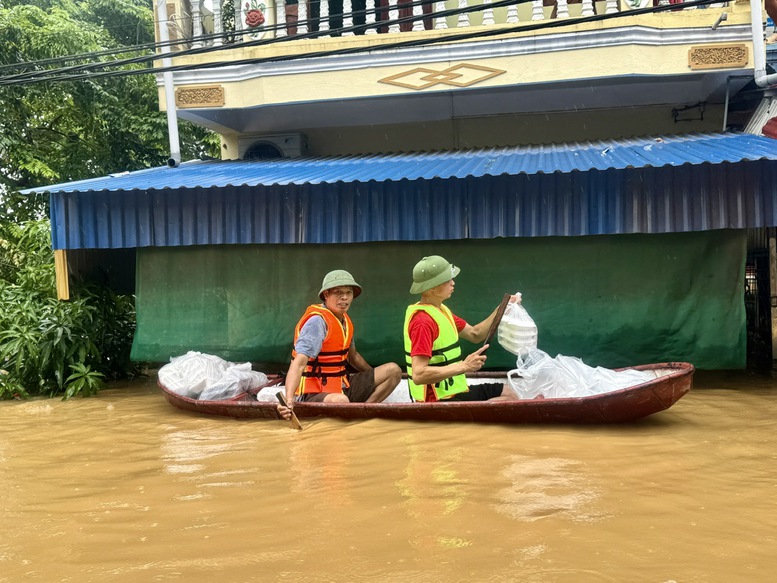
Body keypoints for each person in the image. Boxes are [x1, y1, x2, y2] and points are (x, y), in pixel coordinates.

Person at [278, 270, 401, 419]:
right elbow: (298, 363)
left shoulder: (344, 320)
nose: (344, 297)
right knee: (341, 400)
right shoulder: (317, 322)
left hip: (342, 385)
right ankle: (354, 413)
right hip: (314, 392)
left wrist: (372, 378)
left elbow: (353, 356)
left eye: (348, 293)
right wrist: (289, 400)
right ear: (326, 295)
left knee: (393, 370)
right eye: (338, 292)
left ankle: (363, 413)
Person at [403, 255, 518, 402]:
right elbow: (419, 375)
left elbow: (475, 334)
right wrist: (464, 366)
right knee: (509, 401)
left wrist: (502, 308)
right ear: (432, 287)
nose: (453, 283)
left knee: (509, 393)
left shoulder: (441, 311)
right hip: (437, 401)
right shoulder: (422, 322)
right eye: (447, 280)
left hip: (454, 392)